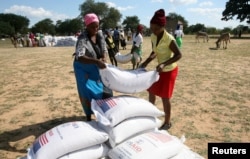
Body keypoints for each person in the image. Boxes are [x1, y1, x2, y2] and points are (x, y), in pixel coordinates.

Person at [140, 9, 182, 130]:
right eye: (151, 28)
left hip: (170, 71)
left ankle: (167, 122)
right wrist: (147, 61)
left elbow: (179, 55)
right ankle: (150, 115)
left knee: (165, 97)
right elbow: (155, 51)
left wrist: (164, 64)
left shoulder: (169, 39)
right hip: (160, 70)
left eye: (156, 28)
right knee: (151, 91)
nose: (153, 31)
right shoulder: (154, 36)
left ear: (162, 26)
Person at [73, 13, 113, 121]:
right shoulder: (82, 38)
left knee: (106, 90)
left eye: (97, 26)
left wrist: (103, 57)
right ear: (87, 26)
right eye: (92, 27)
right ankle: (88, 116)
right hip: (83, 68)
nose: (95, 29)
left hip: (96, 66)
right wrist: (96, 61)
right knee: (87, 91)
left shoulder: (100, 34)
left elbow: (104, 48)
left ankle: (104, 112)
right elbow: (80, 56)